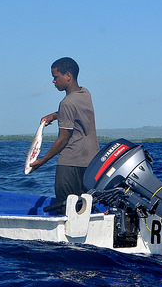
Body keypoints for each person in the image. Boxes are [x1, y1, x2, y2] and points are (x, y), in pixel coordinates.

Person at [29, 57, 99, 212]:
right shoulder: (85, 93)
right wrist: (53, 116)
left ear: (68, 76)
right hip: (90, 163)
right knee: (85, 208)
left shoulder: (66, 103)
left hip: (70, 163)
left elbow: (63, 138)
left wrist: (43, 160)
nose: (53, 81)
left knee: (67, 209)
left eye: (55, 77)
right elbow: (74, 112)